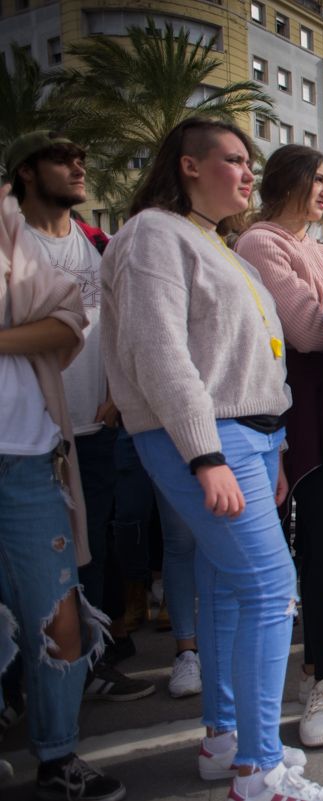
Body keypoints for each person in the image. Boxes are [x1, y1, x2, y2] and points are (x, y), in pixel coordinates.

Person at [101, 118, 323, 801]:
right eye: (234, 160)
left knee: (231, 588)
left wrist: (276, 446)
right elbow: (159, 352)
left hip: (249, 436)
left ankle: (225, 740)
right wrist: (204, 453)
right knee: (271, 588)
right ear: (189, 165)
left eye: (249, 162)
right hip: (211, 435)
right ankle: (258, 772)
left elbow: (257, 355)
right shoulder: (154, 233)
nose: (247, 173)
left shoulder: (215, 241)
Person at [6, 131, 157, 704]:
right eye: (61, 159)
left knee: (90, 550)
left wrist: (118, 391)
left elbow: (121, 322)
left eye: (80, 159)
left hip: (95, 425)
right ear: (25, 172)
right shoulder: (11, 241)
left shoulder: (98, 242)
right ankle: (21, 679)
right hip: (28, 433)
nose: (78, 167)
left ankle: (90, 663)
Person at [0, 173, 126, 799]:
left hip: (30, 455)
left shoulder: (11, 233)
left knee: (60, 617)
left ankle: (57, 756)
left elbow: (67, 321)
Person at [233, 144, 323, 748]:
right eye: (317, 179)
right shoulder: (260, 242)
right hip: (302, 416)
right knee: (322, 545)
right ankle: (321, 674)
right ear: (287, 181)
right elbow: (309, 329)